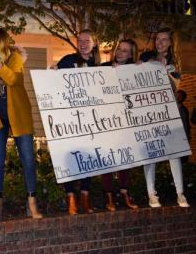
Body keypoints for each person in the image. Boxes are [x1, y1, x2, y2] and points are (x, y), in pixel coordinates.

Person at [0, 27, 43, 222]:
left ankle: (32, 202)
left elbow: (13, 80)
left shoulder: (15, 58)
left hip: (18, 116)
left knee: (28, 160)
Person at [140, 27, 190, 208]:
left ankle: (180, 194)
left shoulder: (175, 61)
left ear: (170, 42)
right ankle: (151, 195)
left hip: (169, 113)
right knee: (150, 154)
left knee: (174, 154)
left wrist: (164, 69)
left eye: (163, 40)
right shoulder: (146, 57)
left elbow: (176, 84)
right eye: (157, 39)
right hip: (149, 114)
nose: (159, 43)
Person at [56, 29, 100, 215]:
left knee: (89, 156)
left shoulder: (100, 65)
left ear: (94, 42)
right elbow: (54, 84)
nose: (82, 43)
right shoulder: (67, 61)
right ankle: (71, 198)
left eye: (87, 40)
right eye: (80, 40)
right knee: (69, 156)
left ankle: (85, 196)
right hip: (70, 120)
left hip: (92, 120)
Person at [100, 39, 139, 211]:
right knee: (108, 159)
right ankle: (108, 195)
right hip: (107, 121)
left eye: (125, 51)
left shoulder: (135, 69)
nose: (120, 53)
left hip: (126, 121)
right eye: (119, 49)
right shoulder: (104, 67)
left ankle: (125, 192)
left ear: (131, 54)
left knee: (125, 158)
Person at [176, 89, 191, 163]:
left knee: (183, 157)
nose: (178, 97)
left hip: (183, 136)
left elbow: (186, 123)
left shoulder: (184, 109)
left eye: (180, 96)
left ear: (183, 99)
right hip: (174, 136)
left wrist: (187, 135)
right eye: (177, 95)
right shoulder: (171, 108)